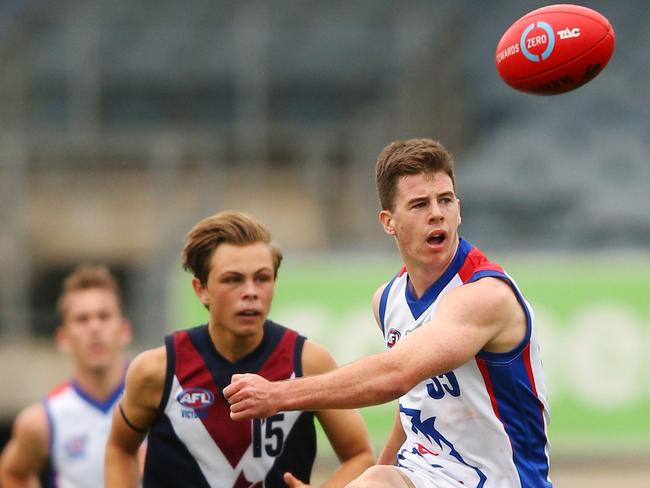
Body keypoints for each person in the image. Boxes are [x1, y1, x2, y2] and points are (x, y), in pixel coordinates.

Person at [225, 138, 552, 488]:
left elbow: (396, 376)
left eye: (445, 200)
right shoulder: (387, 300)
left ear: (458, 208)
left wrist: (277, 396)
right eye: (419, 204)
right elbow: (415, 397)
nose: (436, 213)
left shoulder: (483, 295)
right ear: (388, 221)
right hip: (429, 477)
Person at [105, 211, 375, 487]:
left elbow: (360, 455)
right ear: (201, 290)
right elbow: (119, 448)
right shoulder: (156, 370)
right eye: (233, 279)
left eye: (262, 278)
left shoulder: (308, 362)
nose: (251, 291)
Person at [0, 264, 133, 488]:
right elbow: (13, 472)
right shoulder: (44, 419)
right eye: (82, 319)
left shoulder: (157, 397)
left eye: (104, 316)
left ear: (124, 330)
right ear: (63, 338)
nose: (94, 328)